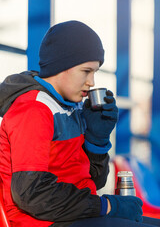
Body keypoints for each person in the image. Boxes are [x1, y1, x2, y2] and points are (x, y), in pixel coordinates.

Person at [0, 20, 160, 227]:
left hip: (71, 216)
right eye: (86, 71)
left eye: (95, 72)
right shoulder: (34, 109)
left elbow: (93, 183)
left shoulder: (70, 107)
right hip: (41, 222)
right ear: (62, 65)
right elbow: (32, 195)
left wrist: (97, 140)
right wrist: (108, 206)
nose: (91, 82)